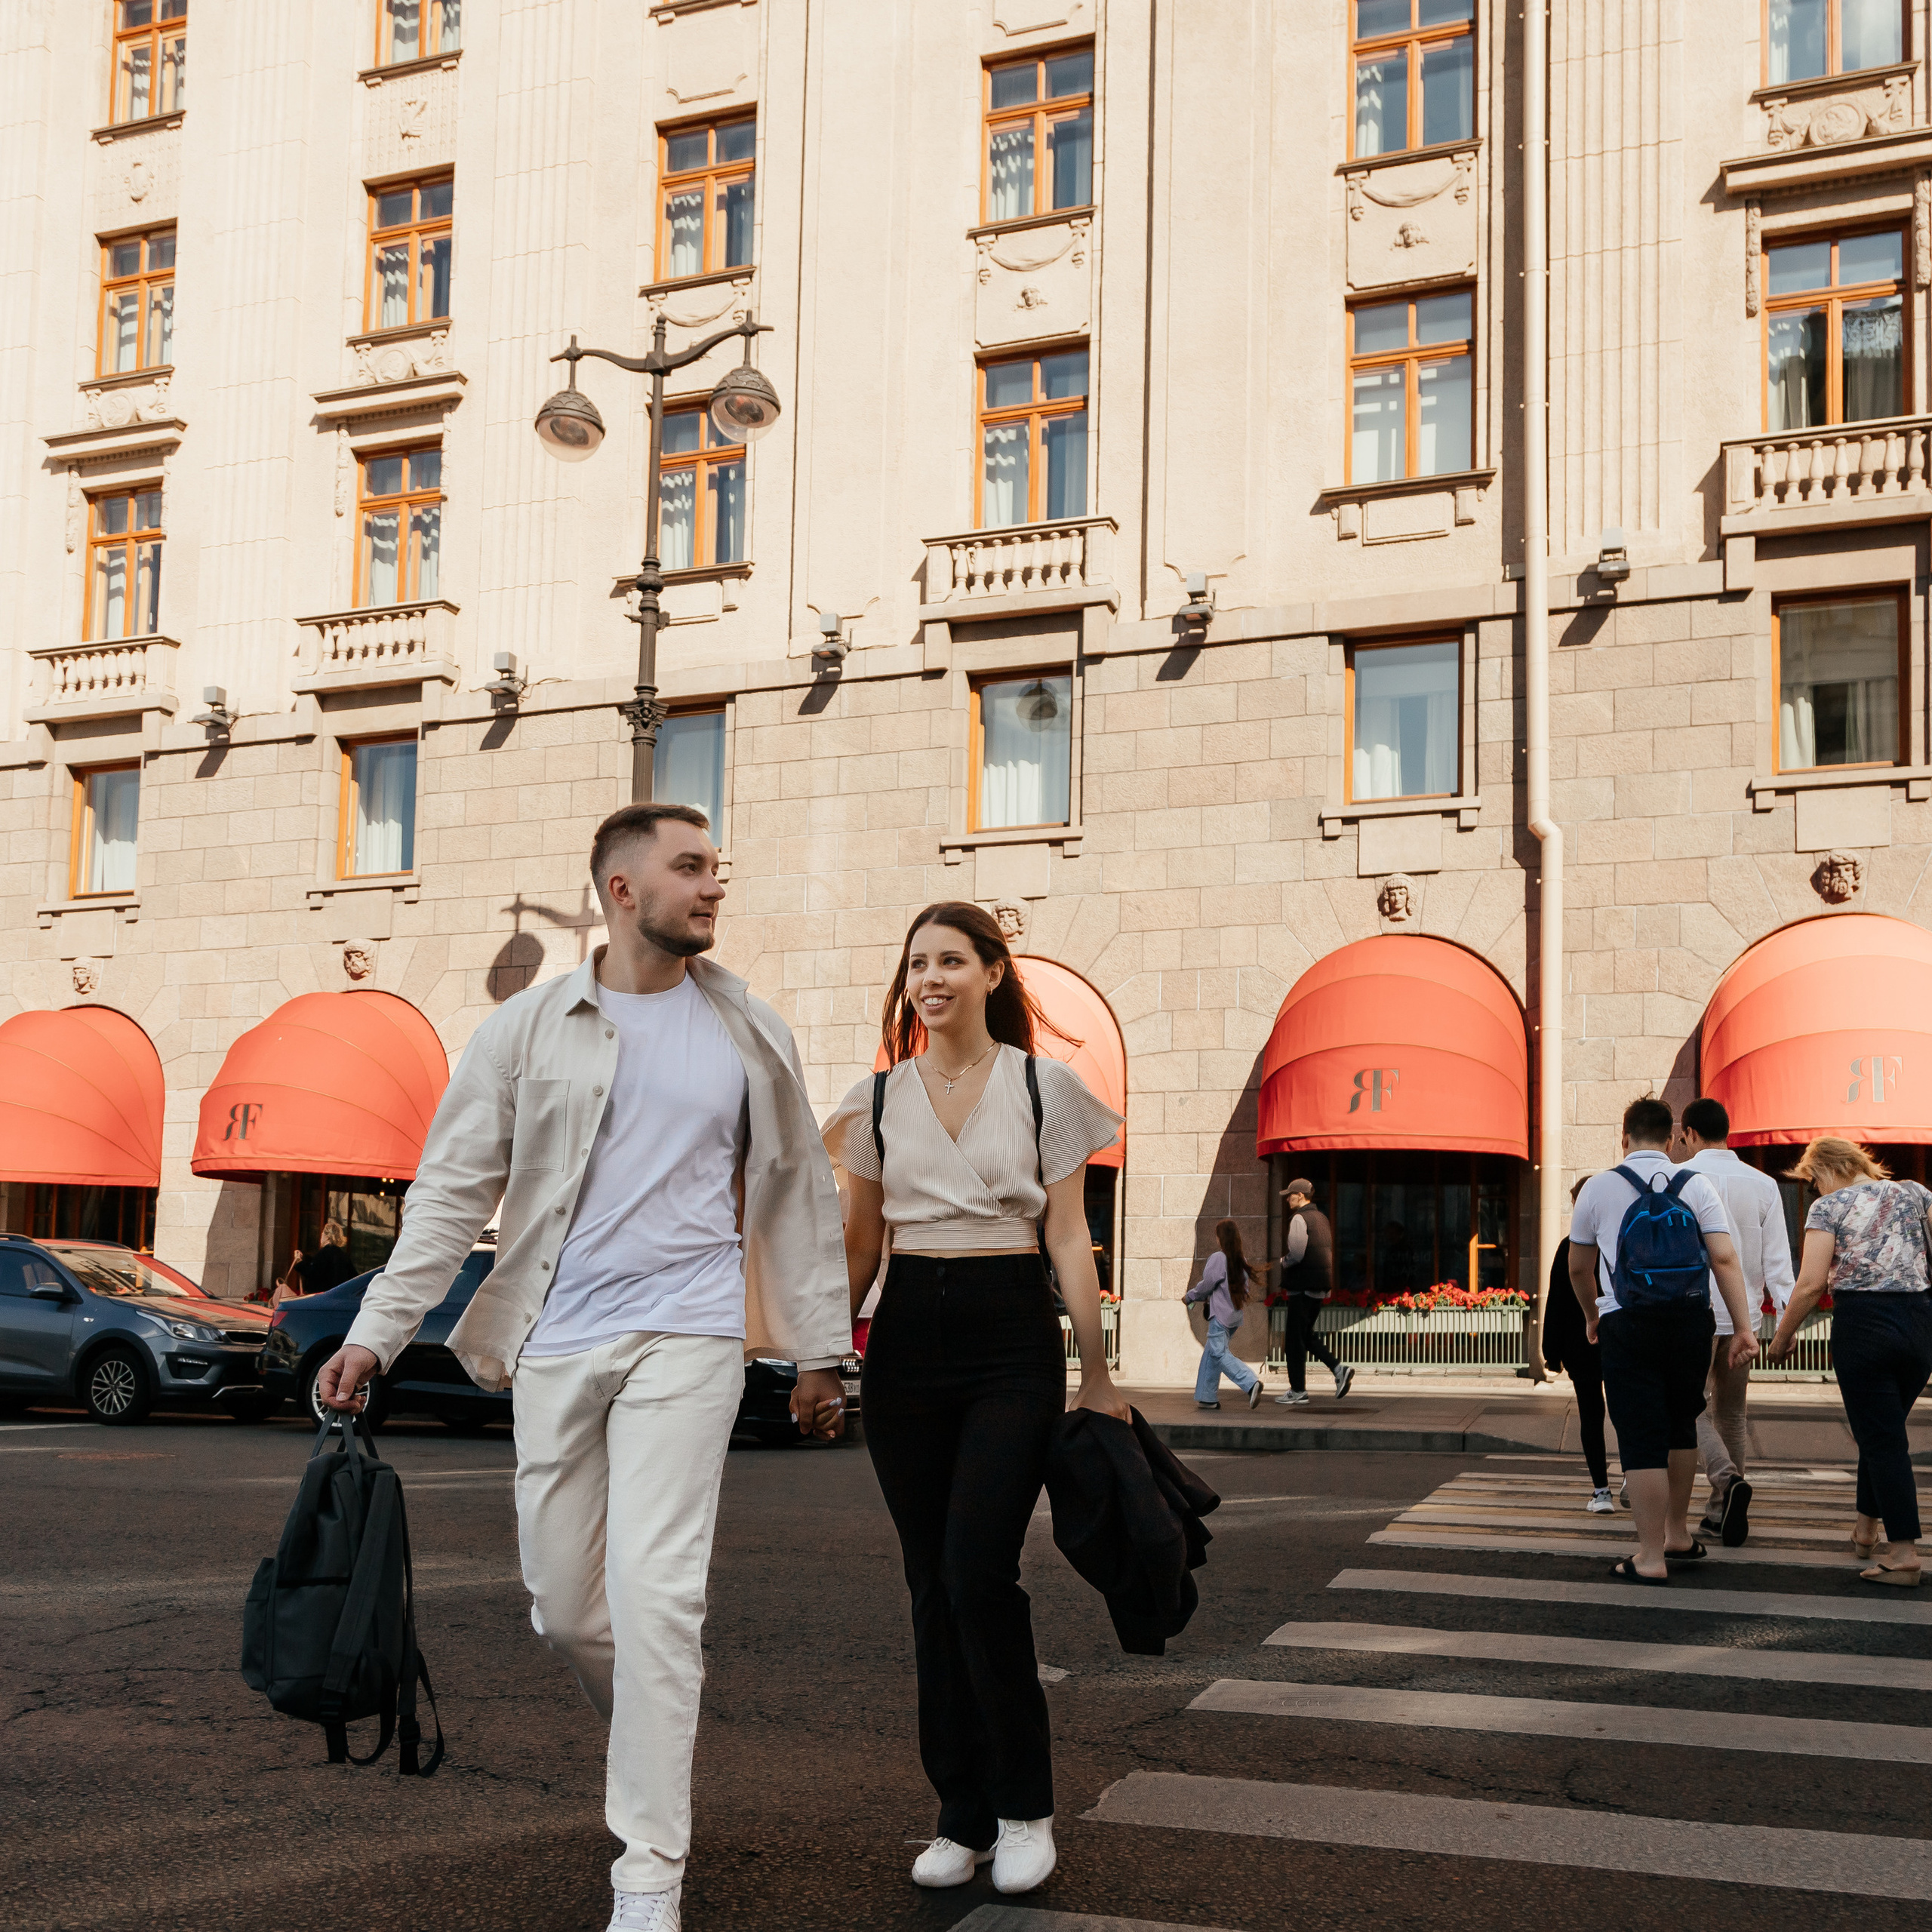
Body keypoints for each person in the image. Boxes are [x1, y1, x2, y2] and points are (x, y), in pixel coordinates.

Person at [314, 802, 852, 1932]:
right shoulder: (524, 1030)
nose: (714, 888)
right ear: (620, 890)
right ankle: (655, 1734)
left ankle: (648, 1868)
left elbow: (800, 1194)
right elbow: (453, 1192)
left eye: (718, 868)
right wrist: (377, 1331)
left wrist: (821, 1353)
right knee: (564, 1608)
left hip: (691, 1337)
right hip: (557, 1338)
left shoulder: (749, 1028)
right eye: (691, 868)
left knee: (659, 1600)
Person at [824, 902, 1127, 1899]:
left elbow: (1070, 1240)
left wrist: (1098, 1370)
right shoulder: (877, 1102)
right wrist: (824, 1353)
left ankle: (1024, 1808)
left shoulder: (1047, 1092)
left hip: (1009, 1337)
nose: (932, 978)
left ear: (994, 971)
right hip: (908, 1334)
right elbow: (861, 1243)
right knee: (928, 1584)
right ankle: (960, 1813)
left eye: (952, 959)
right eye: (918, 963)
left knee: (976, 1571)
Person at [1567, 1097, 1758, 1584]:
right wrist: (1742, 1327)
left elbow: (1579, 1266)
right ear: (1672, 1139)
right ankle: (1677, 1533)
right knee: (1682, 1424)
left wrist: (1593, 1315)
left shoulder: (1599, 1188)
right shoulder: (1697, 1184)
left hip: (1627, 1322)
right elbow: (1725, 1260)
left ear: (1624, 1137)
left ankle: (1650, 1556)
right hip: (1691, 1321)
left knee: (1640, 1435)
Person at [1767, 1137, 1932, 1586]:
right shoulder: (1917, 1193)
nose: (1815, 1190)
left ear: (1827, 1168)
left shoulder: (1829, 1207)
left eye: (1813, 1180)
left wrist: (1782, 1337)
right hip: (1918, 1323)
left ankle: (1903, 1555)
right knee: (1880, 1428)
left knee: (1882, 1440)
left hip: (1864, 1324)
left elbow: (1810, 1283)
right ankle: (1864, 1531)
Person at [1675, 1097, 1794, 1547]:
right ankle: (1721, 1512)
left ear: (1687, 1134)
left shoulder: (1682, 1181)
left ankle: (1726, 1481)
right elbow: (1780, 1264)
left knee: (1687, 1406)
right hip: (1744, 1314)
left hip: (1695, 1312)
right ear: (1729, 1132)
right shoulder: (1763, 1185)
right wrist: (1786, 1323)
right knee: (1733, 1414)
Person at [1540, 1178, 1614, 1513]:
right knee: (1627, 1411)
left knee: (1591, 1415)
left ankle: (1601, 1492)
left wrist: (1551, 1353)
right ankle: (1632, 1475)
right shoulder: (1617, 1242)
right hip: (1616, 1340)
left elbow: (1555, 1302)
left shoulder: (1570, 1246)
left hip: (1580, 1345)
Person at [1273, 1178, 1354, 1406]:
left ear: (1300, 1195)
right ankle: (1339, 1370)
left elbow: (1297, 1253)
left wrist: (1283, 1261)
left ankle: (1298, 1390)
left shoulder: (1300, 1218)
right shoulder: (1321, 1217)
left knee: (1293, 1341)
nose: (1287, 1199)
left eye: (1290, 1195)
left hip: (1302, 1287)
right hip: (1318, 1287)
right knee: (1306, 1335)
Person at [1185, 1220, 1266, 1411]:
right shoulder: (1241, 1260)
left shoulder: (1218, 1258)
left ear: (1221, 1238)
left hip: (1220, 1315)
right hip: (1234, 1315)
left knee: (1219, 1353)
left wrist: (1190, 1296)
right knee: (1212, 1353)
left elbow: (1208, 1283)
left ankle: (1251, 1382)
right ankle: (1207, 1397)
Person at [275, 1219, 356, 1306]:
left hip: (320, 1300)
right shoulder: (343, 1256)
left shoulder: (324, 1254)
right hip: (338, 1300)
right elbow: (353, 1277)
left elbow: (313, 1273)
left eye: (323, 1233)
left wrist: (299, 1263)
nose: (321, 1236)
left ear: (327, 1237)